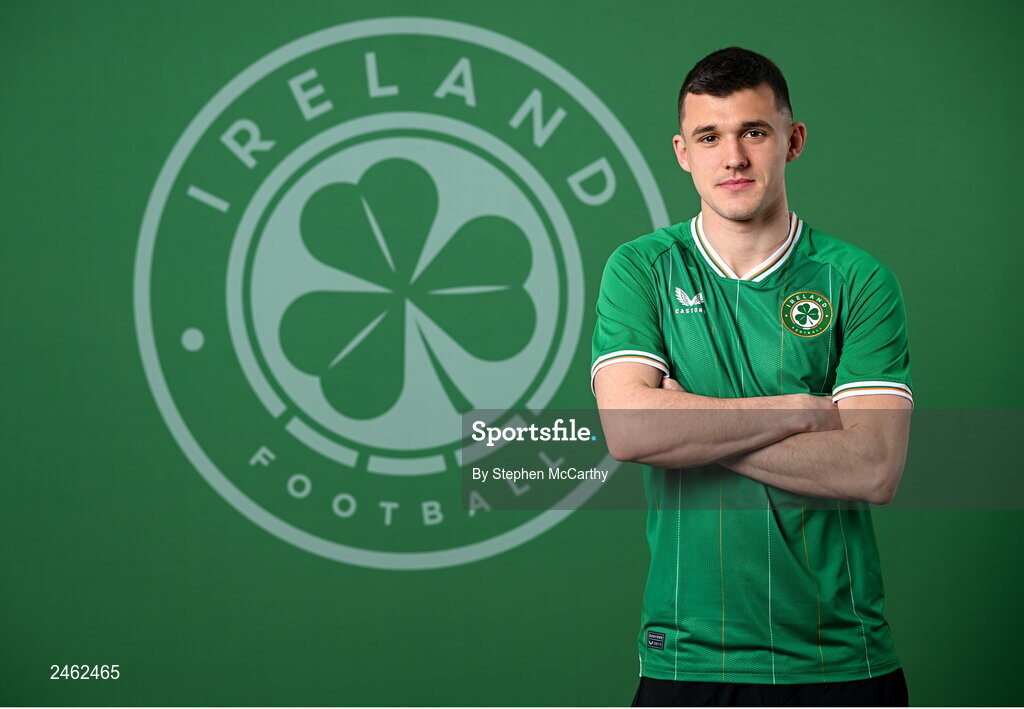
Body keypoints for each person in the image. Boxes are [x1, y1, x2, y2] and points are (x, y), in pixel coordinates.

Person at [591, 47, 913, 706]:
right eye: (710, 136)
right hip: (685, 657)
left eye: (753, 132)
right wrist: (799, 409)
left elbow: (873, 466)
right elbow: (628, 429)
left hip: (838, 658)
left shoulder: (857, 279)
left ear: (792, 141)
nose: (732, 156)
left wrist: (686, 425)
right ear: (683, 152)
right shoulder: (642, 269)